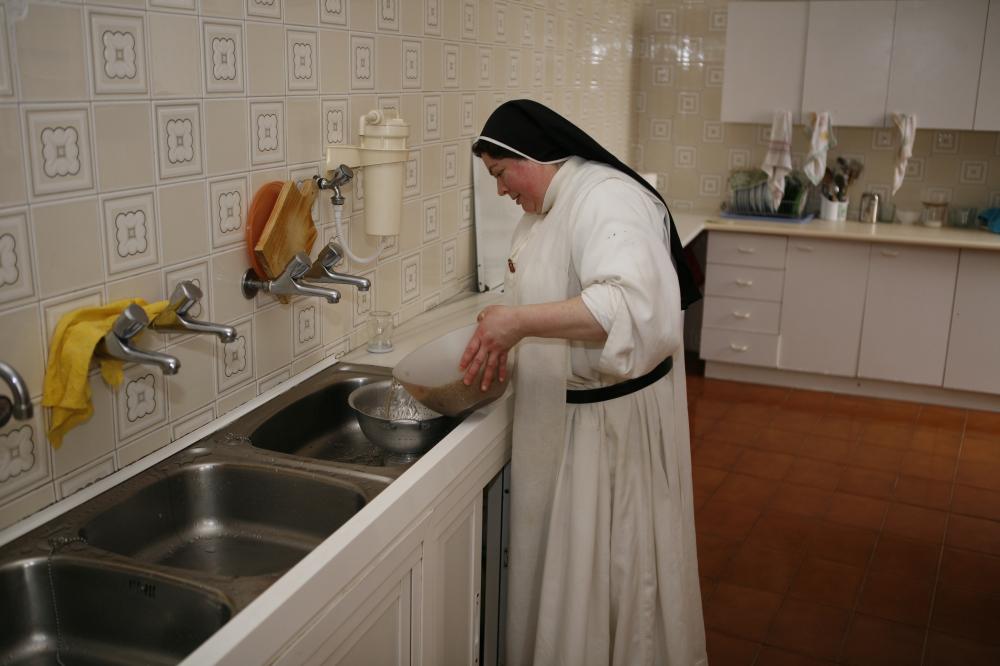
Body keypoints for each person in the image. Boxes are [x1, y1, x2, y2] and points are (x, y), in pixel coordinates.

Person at [460, 100, 707, 666]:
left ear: (529, 156)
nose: (499, 191)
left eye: (500, 175)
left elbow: (632, 307)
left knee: (610, 581)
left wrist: (516, 324)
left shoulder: (604, 199)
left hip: (611, 434)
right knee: (575, 578)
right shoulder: (553, 206)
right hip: (572, 420)